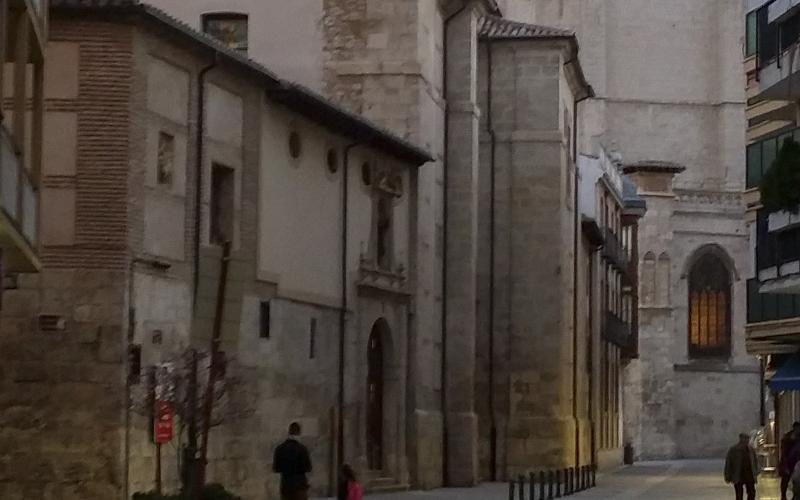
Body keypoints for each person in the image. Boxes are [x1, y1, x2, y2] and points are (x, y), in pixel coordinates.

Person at [273, 422, 313, 500]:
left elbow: (276, 468)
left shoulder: (280, 449)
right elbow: (308, 468)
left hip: (286, 486)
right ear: (298, 432)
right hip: (299, 486)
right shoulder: (302, 449)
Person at [725, 433, 760, 500]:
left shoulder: (751, 449)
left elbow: (755, 460)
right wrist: (728, 475)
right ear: (741, 439)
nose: (747, 441)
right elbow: (729, 463)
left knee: (752, 493)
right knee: (739, 494)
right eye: (745, 439)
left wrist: (756, 470)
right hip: (738, 474)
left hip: (749, 475)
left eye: (747, 439)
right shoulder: (734, 450)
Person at [781, 422, 800, 500]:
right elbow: (784, 451)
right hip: (788, 462)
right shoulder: (787, 438)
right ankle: (783, 495)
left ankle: (795, 496)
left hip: (796, 462)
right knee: (785, 480)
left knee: (796, 481)